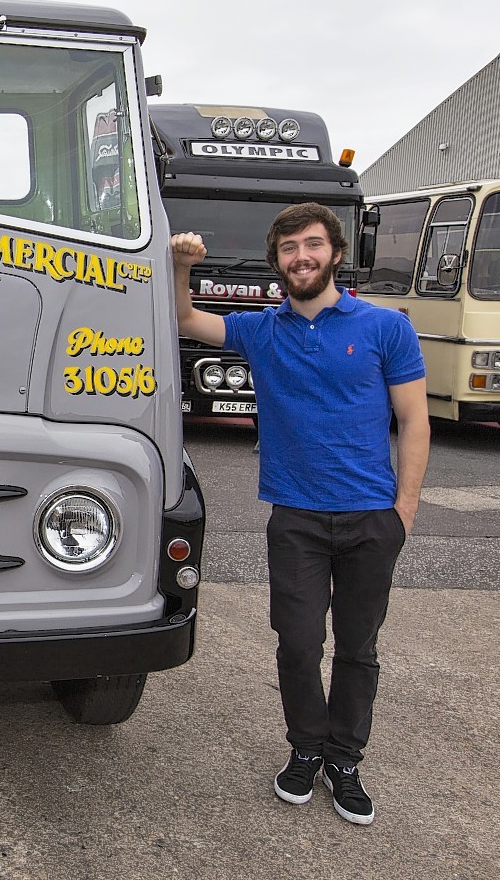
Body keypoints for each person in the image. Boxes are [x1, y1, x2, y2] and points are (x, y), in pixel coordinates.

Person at [171, 203, 430, 826]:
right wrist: (181, 266)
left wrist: (405, 511)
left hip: (371, 517)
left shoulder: (385, 328)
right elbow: (182, 318)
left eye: (313, 245)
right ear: (278, 263)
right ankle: (305, 749)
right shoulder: (262, 330)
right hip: (296, 519)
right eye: (289, 249)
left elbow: (414, 420)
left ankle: (345, 761)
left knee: (359, 648)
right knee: (298, 643)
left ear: (335, 253)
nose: (301, 257)